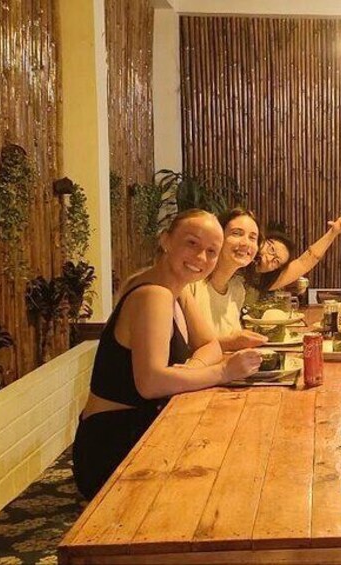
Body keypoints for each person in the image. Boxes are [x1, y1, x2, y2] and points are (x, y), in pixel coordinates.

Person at [72, 209, 264, 499]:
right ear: (166, 240)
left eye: (211, 251)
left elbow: (210, 345)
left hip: (143, 431)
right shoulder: (154, 294)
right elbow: (151, 383)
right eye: (192, 243)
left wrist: (191, 369)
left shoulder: (177, 289)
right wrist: (223, 372)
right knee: (234, 475)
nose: (201, 257)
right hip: (115, 446)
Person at [185, 208, 269, 352]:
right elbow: (188, 346)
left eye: (252, 238)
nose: (245, 243)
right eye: (237, 233)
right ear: (218, 238)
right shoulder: (191, 283)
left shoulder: (237, 290)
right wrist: (232, 343)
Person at [249, 216, 341, 295]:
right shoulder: (239, 255)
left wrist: (333, 233)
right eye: (271, 249)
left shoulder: (263, 282)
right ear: (261, 238)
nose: (269, 258)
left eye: (276, 262)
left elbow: (303, 263)